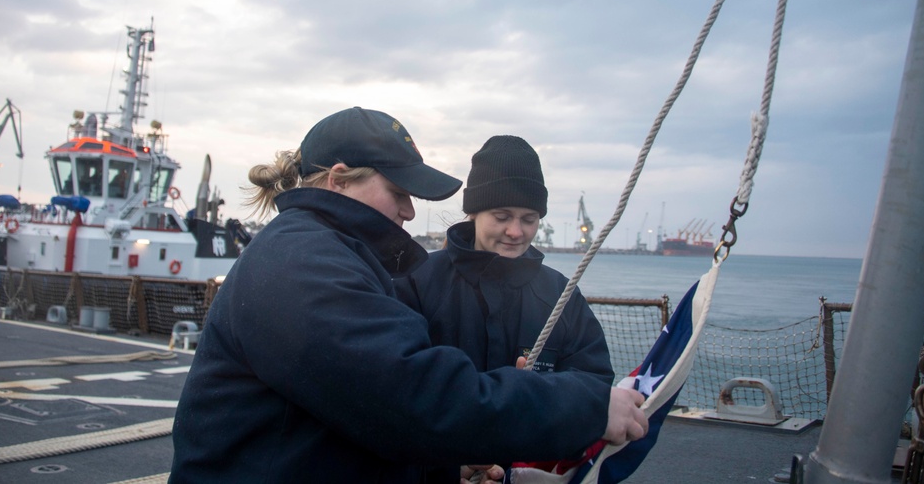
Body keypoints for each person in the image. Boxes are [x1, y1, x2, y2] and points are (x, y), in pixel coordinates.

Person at [170, 108, 647, 483]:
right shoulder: (305, 264)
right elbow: (414, 398)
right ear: (338, 180)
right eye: (399, 191)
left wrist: (438, 469)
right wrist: (587, 406)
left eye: (529, 218)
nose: (409, 211)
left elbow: (364, 414)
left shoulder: (318, 253)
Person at [397, 135, 616, 480]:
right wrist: (444, 468)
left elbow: (595, 382)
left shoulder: (560, 293)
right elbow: (397, 394)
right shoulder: (417, 282)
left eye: (529, 218)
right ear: (473, 212)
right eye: (502, 216)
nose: (516, 231)